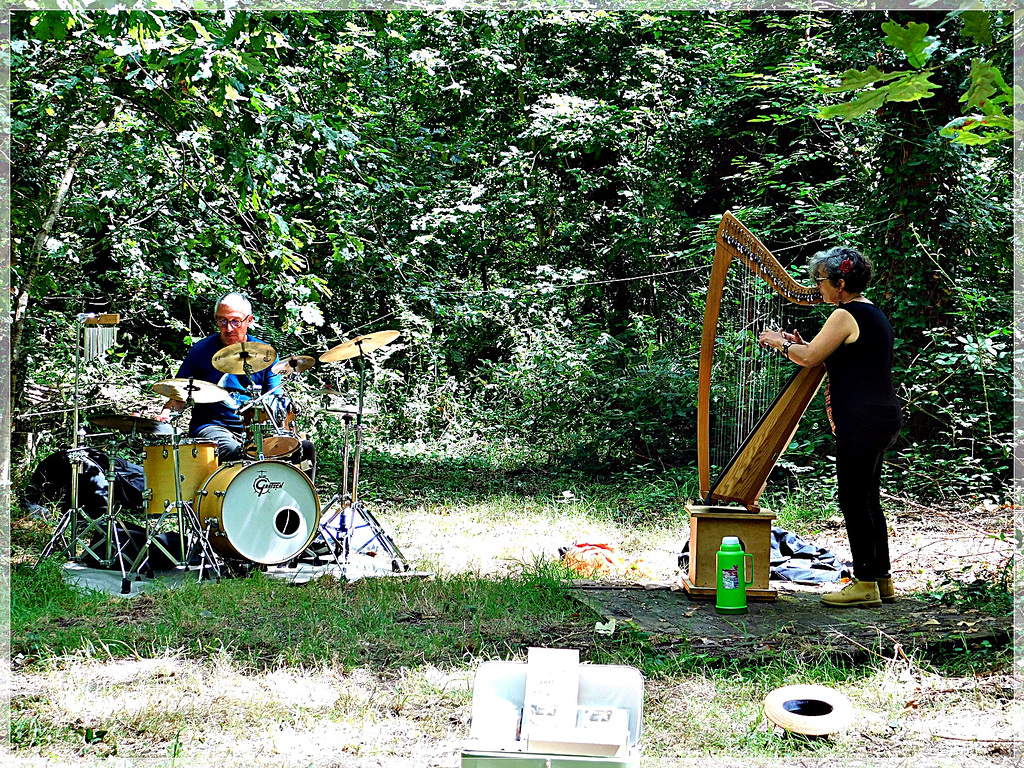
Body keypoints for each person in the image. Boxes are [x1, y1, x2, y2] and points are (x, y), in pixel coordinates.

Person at [758, 247, 902, 608]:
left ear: (840, 283)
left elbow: (808, 359)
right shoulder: (871, 314)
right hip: (881, 417)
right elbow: (829, 357)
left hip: (862, 419)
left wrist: (779, 345)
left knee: (853, 499)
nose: (817, 287)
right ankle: (880, 579)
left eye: (821, 281)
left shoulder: (844, 314)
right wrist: (800, 346)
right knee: (868, 499)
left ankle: (864, 583)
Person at [159, 292, 316, 479]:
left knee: (304, 449)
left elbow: (274, 398)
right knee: (239, 453)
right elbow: (179, 394)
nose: (228, 328)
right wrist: (166, 414)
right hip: (212, 427)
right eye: (222, 321)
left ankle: (299, 505)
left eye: (235, 321)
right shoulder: (200, 351)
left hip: (255, 429)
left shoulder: (266, 355)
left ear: (249, 320)